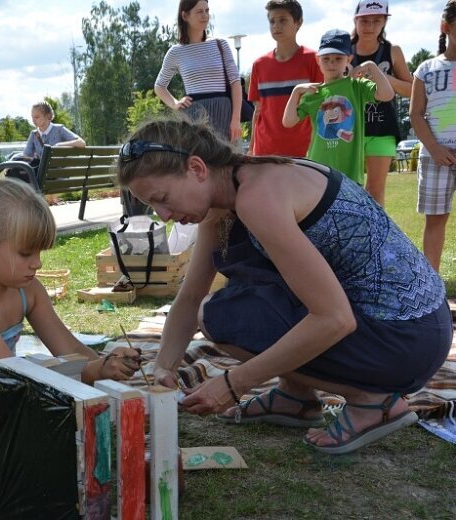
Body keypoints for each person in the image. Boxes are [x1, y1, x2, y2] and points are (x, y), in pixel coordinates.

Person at [116, 116, 451, 455]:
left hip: (407, 337)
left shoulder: (258, 198)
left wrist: (235, 383)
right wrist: (163, 367)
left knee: (224, 318)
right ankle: (295, 396)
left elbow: (335, 318)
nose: (164, 215)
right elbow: (189, 296)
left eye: (162, 197)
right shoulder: (236, 187)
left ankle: (372, 402)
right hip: (419, 327)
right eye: (152, 206)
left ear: (197, 168)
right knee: (224, 307)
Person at [0, 179, 140, 483]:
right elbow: (14, 383)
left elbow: (68, 348)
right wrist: (92, 372)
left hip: (0, 417)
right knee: (19, 463)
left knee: (64, 451)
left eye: (39, 253)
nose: (37, 263)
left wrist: (107, 363)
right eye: (26, 253)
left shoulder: (26, 289)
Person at [283, 29, 394, 185]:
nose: (332, 63)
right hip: (318, 171)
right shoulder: (313, 93)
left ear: (349, 59)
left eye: (338, 58)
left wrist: (372, 66)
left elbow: (387, 94)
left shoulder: (356, 86)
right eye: (326, 58)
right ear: (318, 60)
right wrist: (296, 92)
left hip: (350, 172)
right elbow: (288, 122)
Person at [350, 0, 413, 206]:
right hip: (349, 128)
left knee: (375, 190)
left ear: (384, 22)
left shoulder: (392, 50)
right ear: (355, 20)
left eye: (376, 21)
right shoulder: (343, 50)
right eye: (364, 21)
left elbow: (412, 90)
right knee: (348, 187)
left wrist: (384, 78)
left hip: (383, 127)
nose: (369, 27)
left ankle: (376, 237)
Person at [410, 0, 456, 272]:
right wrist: (436, 149)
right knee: (435, 220)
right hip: (434, 155)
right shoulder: (426, 68)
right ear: (446, 27)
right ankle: (433, 288)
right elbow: (416, 114)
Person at [154, 0, 241, 143]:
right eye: (199, 12)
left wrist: (236, 120)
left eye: (207, 11)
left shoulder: (220, 45)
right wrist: (175, 103)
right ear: (185, 15)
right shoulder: (176, 52)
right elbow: (159, 86)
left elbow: (235, 83)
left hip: (223, 112)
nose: (205, 16)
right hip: (194, 115)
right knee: (196, 162)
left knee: (227, 162)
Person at [248, 0, 323, 157]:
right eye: (272, 21)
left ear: (298, 23)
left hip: (303, 151)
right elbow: (258, 110)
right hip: (265, 151)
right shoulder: (259, 64)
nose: (276, 25)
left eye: (283, 20)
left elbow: (321, 107)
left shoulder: (314, 60)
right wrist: (251, 148)